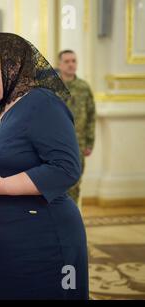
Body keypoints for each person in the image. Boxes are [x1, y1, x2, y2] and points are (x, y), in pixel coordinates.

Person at [0, 33, 88, 299]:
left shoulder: (42, 103)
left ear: (12, 66)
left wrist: (1, 186)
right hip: (3, 251)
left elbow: (65, 168)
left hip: (41, 246)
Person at [58, 50, 96, 205]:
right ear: (60, 64)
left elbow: (91, 115)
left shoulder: (83, 87)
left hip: (78, 145)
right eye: (66, 61)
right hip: (56, 143)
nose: (71, 64)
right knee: (56, 184)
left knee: (75, 185)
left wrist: (89, 143)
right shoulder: (51, 87)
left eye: (73, 61)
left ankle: (71, 219)